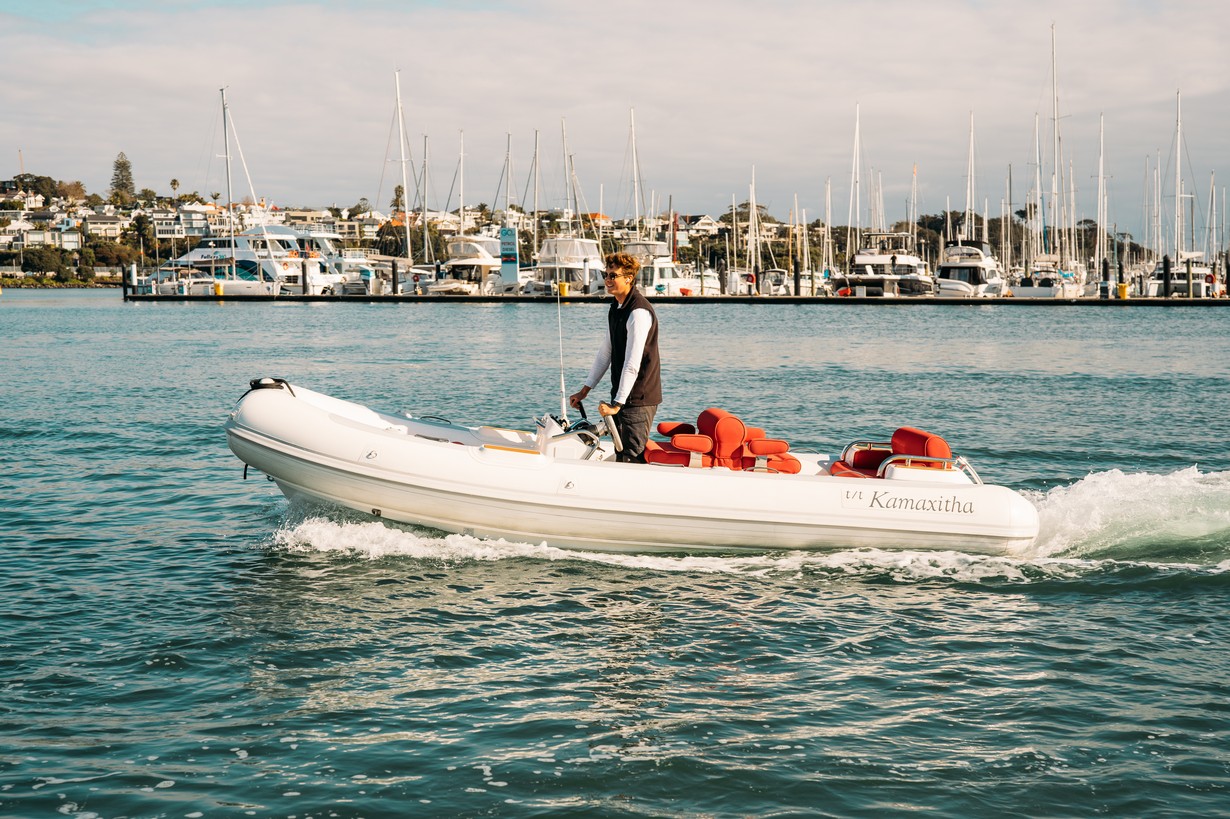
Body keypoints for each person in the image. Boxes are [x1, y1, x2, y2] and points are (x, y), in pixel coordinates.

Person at [568, 252, 661, 463]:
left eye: (613, 275)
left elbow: (632, 363)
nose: (608, 280)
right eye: (606, 275)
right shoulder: (617, 308)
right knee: (621, 453)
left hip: (638, 398)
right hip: (622, 396)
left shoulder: (638, 312)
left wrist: (617, 405)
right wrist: (584, 391)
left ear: (628, 278)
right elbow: (605, 353)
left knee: (631, 456)